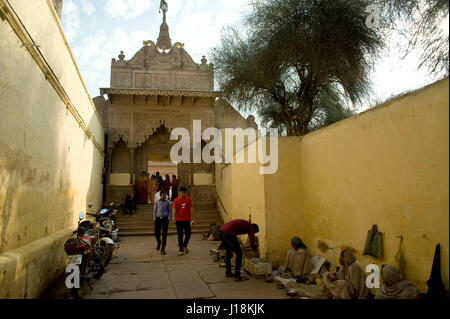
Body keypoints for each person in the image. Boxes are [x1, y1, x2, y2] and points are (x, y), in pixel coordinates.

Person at [172, 187, 194, 256]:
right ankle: (181, 250)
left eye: (183, 192)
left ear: (185, 192)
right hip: (179, 220)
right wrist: (173, 216)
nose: (182, 193)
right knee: (180, 235)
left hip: (187, 219)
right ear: (179, 192)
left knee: (188, 234)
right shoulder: (176, 199)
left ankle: (185, 245)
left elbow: (191, 209)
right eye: (181, 192)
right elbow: (174, 209)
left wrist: (192, 219)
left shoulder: (189, 199)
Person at [153, 190, 171, 255]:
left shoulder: (168, 202)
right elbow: (155, 210)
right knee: (156, 233)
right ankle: (159, 242)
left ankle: (163, 249)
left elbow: (169, 211)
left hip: (165, 219)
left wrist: (168, 218)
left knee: (164, 235)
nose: (164, 196)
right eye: (163, 195)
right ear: (160, 195)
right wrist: (154, 219)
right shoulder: (157, 202)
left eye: (165, 195)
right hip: (158, 219)